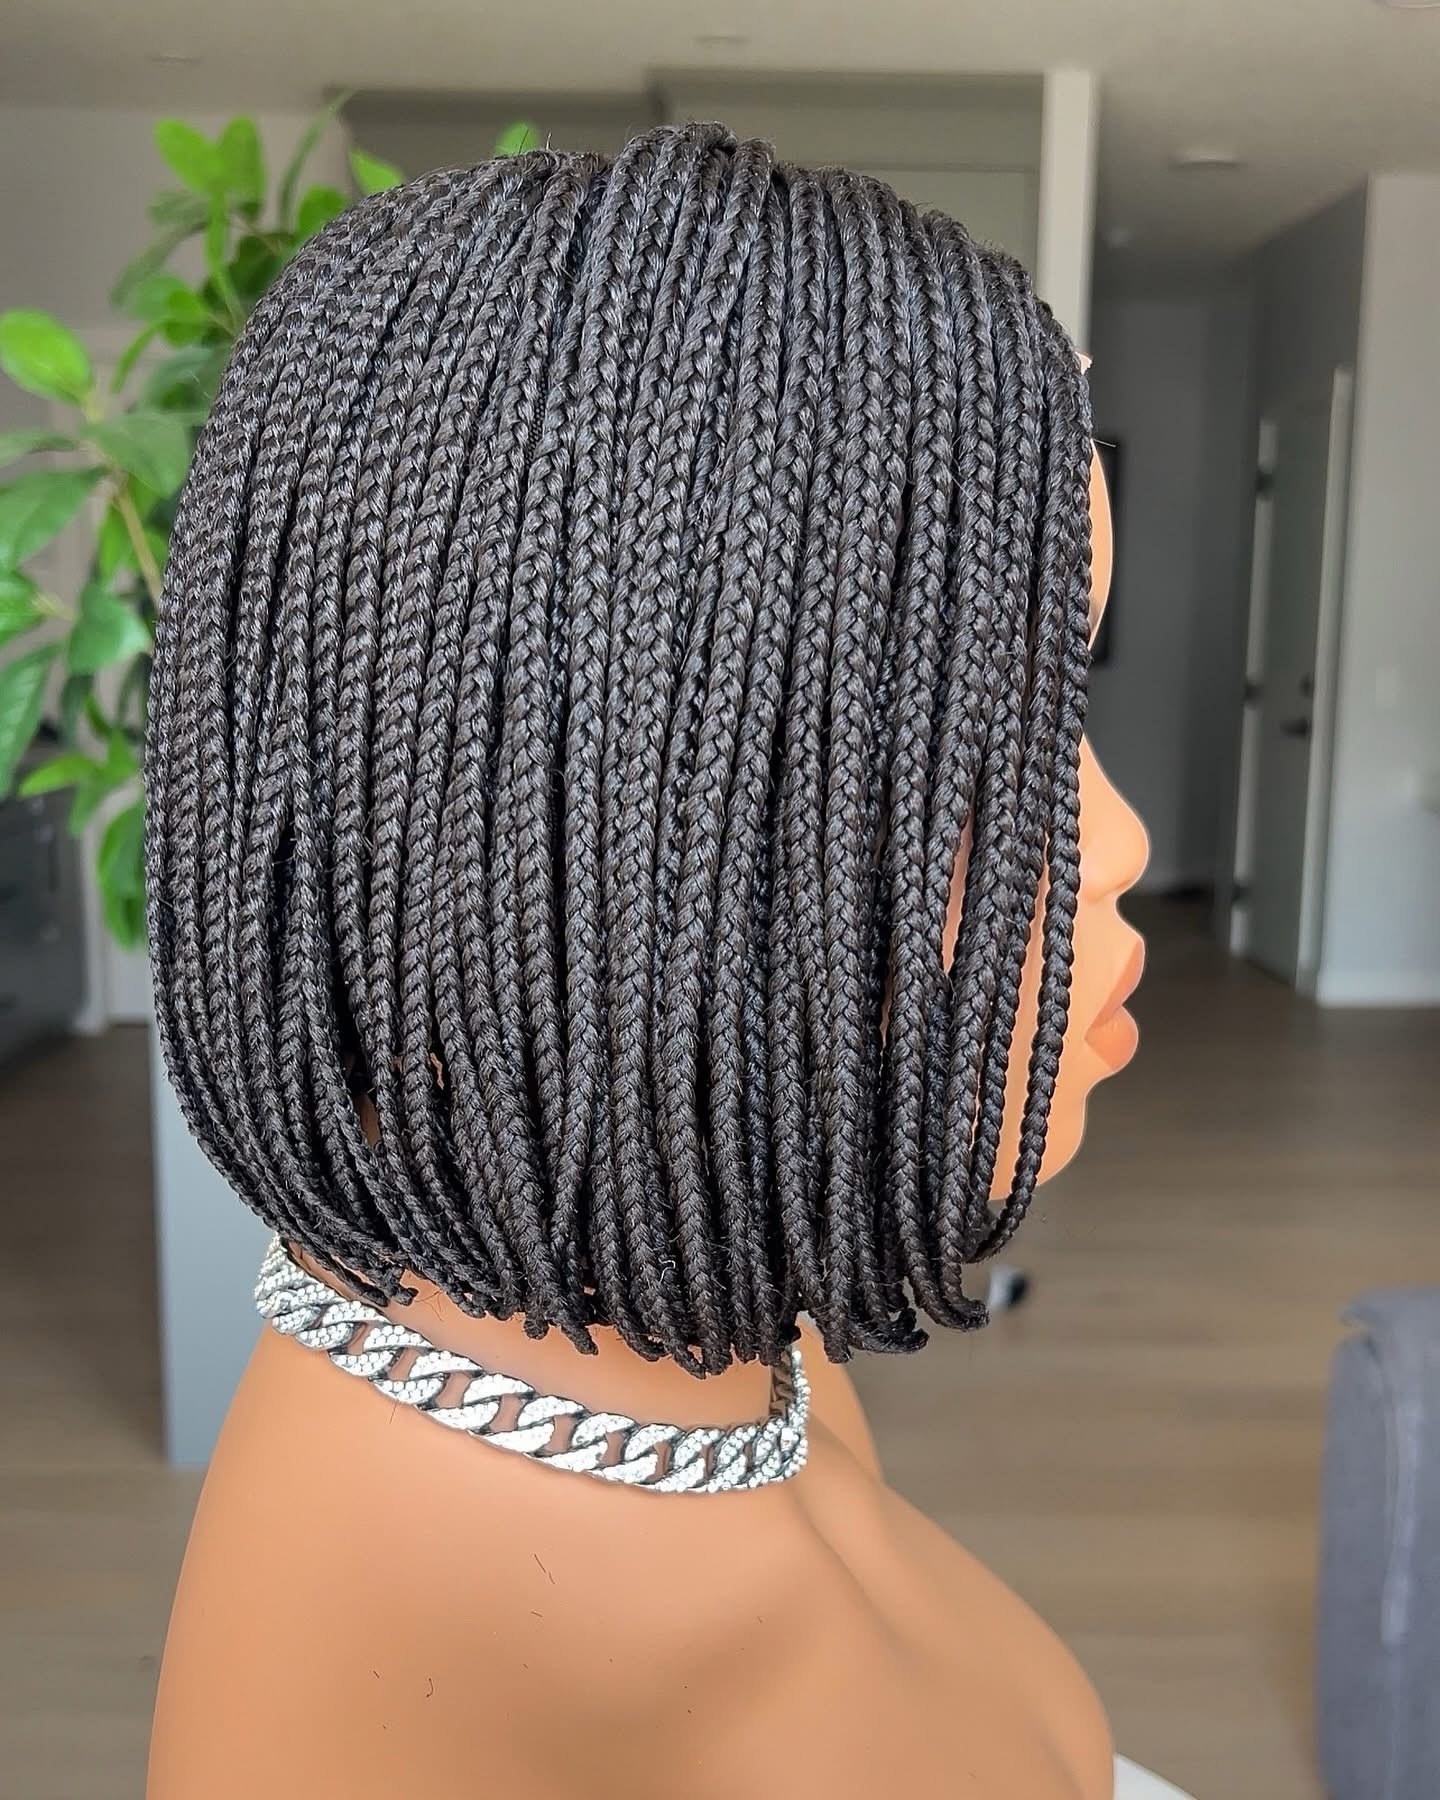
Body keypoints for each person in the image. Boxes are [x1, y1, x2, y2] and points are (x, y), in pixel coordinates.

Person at [146, 124, 1160, 1799]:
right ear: (583, 806)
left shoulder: (742, 1341)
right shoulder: (445, 1650)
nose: (1117, 842)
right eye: (980, 750)